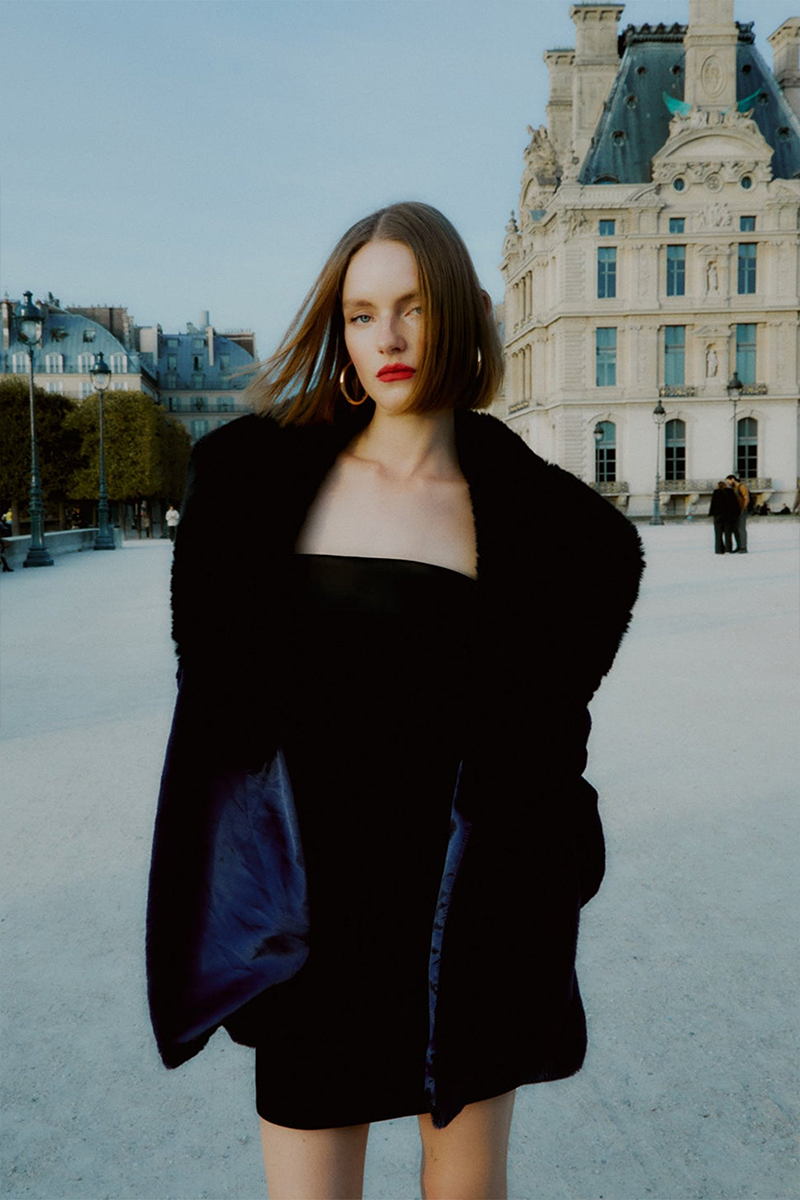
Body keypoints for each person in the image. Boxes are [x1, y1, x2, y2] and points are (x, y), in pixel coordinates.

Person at [146, 202, 644, 1200]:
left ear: (458, 312)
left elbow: (548, 754)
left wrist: (551, 872)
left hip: (466, 928)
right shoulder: (252, 484)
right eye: (363, 314)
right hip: (310, 921)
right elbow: (221, 732)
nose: (389, 338)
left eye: (413, 307)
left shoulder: (550, 530)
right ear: (339, 331)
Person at [709, 480, 740, 553]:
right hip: (728, 515)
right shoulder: (730, 492)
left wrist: (713, 513)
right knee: (728, 533)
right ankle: (728, 549)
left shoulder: (716, 492)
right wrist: (737, 513)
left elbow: (713, 504)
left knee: (718, 534)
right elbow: (735, 503)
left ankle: (719, 549)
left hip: (718, 515)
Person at [726, 474, 750, 553]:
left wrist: (743, 509)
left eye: (728, 481)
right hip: (735, 511)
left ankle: (743, 547)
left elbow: (746, 498)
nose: (728, 484)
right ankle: (739, 546)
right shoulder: (734, 488)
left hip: (741, 510)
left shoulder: (742, 486)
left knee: (741, 529)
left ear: (733, 479)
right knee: (736, 529)